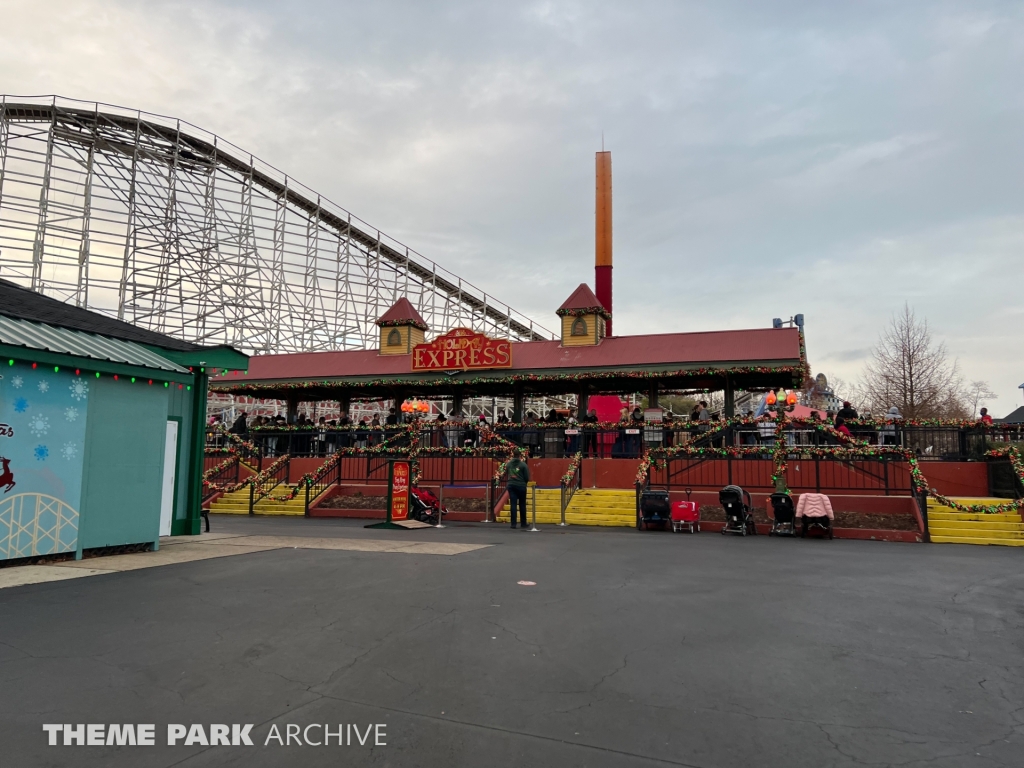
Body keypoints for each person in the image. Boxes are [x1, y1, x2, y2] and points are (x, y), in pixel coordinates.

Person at [506, 450, 530, 529]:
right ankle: (523, 523)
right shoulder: (523, 465)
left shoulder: (509, 464)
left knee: (513, 504)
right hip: (521, 485)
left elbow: (507, 473)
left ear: (513, 455)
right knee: (522, 504)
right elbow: (526, 477)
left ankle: (513, 524)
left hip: (511, 485)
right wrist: (524, 482)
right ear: (519, 455)